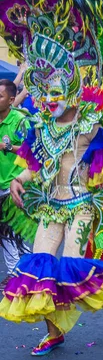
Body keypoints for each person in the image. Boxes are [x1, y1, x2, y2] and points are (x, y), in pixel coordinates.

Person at [0, 0, 103, 355]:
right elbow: (33, 164)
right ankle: (54, 331)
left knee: (74, 267)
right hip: (50, 204)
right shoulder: (40, 125)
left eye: (54, 89)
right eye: (41, 91)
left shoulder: (90, 123)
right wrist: (19, 180)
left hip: (81, 206)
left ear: (72, 84)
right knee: (39, 269)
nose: (47, 99)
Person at [0, 79, 29, 290]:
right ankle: (13, 273)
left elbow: (31, 151)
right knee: (5, 233)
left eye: (0, 96)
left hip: (16, 184)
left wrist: (8, 147)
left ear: (11, 100)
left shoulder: (20, 121)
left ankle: (29, 272)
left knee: (19, 231)